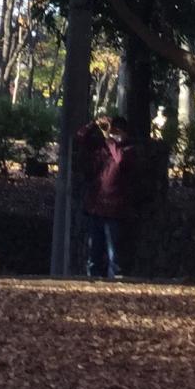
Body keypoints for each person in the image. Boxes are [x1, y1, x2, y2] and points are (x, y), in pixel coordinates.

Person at [75, 113, 139, 280]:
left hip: (114, 210)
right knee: (93, 252)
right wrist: (94, 124)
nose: (113, 134)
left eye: (117, 131)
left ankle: (114, 283)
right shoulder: (103, 148)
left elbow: (120, 160)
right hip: (96, 207)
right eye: (112, 131)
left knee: (114, 254)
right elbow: (80, 137)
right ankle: (91, 282)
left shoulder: (129, 150)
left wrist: (110, 140)